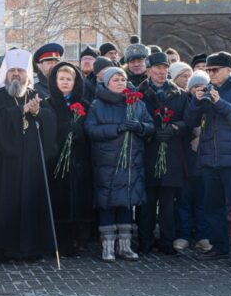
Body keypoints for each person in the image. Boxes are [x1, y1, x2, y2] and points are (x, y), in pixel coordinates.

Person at [185, 52, 231, 267]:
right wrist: (196, 102)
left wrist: (219, 102)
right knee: (212, 207)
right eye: (208, 70)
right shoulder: (206, 91)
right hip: (209, 158)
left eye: (214, 70)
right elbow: (190, 120)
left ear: (229, 70)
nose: (210, 74)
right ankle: (220, 247)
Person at [0, 48, 57, 262]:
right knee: (6, 203)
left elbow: (51, 121)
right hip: (7, 164)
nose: (16, 74)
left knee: (30, 202)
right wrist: (20, 111)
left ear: (28, 73)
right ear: (5, 74)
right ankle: (4, 250)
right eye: (12, 71)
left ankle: (31, 248)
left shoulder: (38, 95)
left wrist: (38, 113)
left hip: (31, 163)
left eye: (20, 71)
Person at [85, 67, 154, 261]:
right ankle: (107, 247)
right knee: (107, 203)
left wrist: (140, 127)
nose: (120, 83)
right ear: (107, 83)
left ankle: (125, 246)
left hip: (131, 163)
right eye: (115, 80)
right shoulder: (97, 105)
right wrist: (117, 128)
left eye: (123, 79)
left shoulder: (137, 104)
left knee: (126, 203)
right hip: (107, 163)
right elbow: (91, 130)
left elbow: (150, 127)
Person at [138, 52, 190, 255]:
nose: (161, 71)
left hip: (171, 152)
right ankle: (145, 240)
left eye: (164, 68)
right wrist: (148, 130)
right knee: (147, 202)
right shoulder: (138, 93)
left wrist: (174, 128)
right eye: (157, 68)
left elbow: (188, 122)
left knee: (168, 202)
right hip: (148, 151)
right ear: (148, 70)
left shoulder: (180, 94)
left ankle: (167, 240)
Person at [45, 62, 93, 257]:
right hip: (56, 159)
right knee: (59, 198)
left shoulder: (84, 104)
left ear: (76, 82)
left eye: (69, 79)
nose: (65, 83)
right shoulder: (47, 103)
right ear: (55, 81)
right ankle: (60, 239)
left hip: (79, 159)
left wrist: (78, 132)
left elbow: (90, 130)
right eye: (61, 79)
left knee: (78, 199)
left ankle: (78, 239)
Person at [175, 71, 213, 252]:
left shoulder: (211, 104)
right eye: (195, 87)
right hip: (186, 161)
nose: (199, 89)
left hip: (206, 160)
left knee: (203, 201)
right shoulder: (184, 103)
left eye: (202, 86)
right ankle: (183, 234)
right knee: (184, 200)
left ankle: (202, 235)